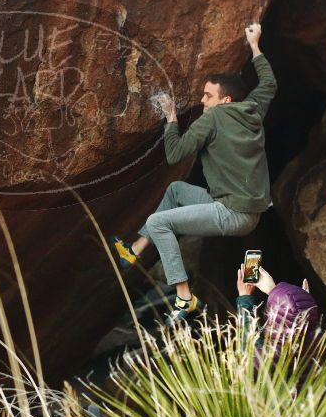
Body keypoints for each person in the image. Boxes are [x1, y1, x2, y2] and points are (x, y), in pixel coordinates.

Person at [112, 21, 277, 326]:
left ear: (224, 101)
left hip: (231, 212)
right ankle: (134, 249)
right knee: (176, 191)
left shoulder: (210, 121)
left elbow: (174, 153)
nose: (203, 101)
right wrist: (255, 44)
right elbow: (268, 83)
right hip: (250, 214)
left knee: (158, 222)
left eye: (207, 96)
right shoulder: (252, 109)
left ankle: (185, 297)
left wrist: (172, 119)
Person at [235, 265, 319, 362]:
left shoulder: (268, 358)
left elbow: (249, 345)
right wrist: (306, 308)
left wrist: (245, 297)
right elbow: (305, 327)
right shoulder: (321, 347)